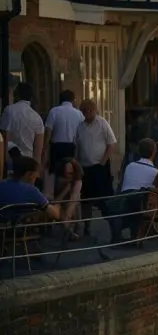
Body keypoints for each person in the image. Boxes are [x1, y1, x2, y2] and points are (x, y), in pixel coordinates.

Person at [74, 99, 117, 240]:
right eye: (84, 111)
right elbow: (77, 146)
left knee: (103, 199)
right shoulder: (80, 126)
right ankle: (87, 226)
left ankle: (113, 225)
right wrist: (77, 164)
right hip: (85, 167)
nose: (87, 113)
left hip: (99, 166)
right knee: (85, 199)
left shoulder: (102, 123)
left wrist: (102, 163)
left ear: (94, 110)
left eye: (89, 110)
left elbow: (111, 144)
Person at [43, 89, 84, 197]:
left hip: (56, 147)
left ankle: (54, 196)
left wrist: (45, 152)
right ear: (73, 100)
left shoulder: (54, 111)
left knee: (55, 173)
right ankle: (71, 195)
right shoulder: (79, 114)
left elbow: (48, 133)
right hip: (72, 147)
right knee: (72, 175)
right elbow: (82, 134)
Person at [0, 157, 60, 228]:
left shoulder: (2, 185)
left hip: (3, 231)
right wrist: (57, 207)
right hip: (24, 232)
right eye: (36, 173)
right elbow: (55, 214)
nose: (37, 176)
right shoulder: (32, 190)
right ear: (29, 174)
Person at [0, 83, 45, 171]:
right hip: (28, 162)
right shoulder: (36, 117)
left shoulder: (9, 111)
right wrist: (36, 169)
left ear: (17, 95)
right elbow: (38, 148)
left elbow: (4, 135)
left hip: (10, 160)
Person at [53, 158, 84, 240]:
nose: (68, 176)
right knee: (58, 206)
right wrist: (66, 189)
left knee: (74, 201)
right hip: (58, 202)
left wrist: (68, 214)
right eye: (66, 173)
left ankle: (69, 229)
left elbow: (74, 198)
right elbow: (55, 200)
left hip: (71, 204)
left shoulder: (77, 181)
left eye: (71, 173)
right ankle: (69, 230)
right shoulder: (56, 180)